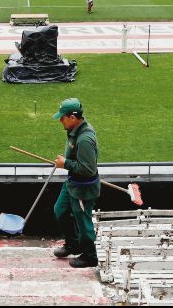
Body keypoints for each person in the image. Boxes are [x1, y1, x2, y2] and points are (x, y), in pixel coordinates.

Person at [51, 98, 100, 269]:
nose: (60, 120)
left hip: (83, 188)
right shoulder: (74, 130)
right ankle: (73, 244)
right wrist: (66, 161)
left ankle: (89, 256)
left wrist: (65, 163)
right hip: (72, 182)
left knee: (83, 222)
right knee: (60, 210)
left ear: (72, 117)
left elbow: (88, 169)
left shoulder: (85, 139)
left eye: (62, 117)